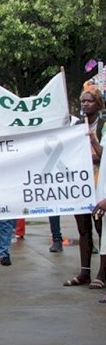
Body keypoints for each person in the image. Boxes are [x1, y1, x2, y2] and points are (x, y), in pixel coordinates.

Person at [63, 86, 106, 287]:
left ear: (98, 104)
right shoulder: (77, 125)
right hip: (82, 185)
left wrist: (92, 142)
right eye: (83, 101)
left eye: (89, 101)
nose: (85, 104)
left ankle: (102, 275)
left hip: (100, 184)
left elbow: (102, 155)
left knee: (101, 230)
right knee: (83, 230)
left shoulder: (103, 125)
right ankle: (84, 272)